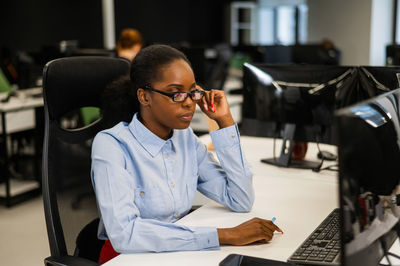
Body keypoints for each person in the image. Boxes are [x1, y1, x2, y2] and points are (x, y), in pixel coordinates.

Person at [91, 44, 283, 264]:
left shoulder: (185, 138)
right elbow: (126, 235)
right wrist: (226, 235)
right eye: (176, 94)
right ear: (144, 97)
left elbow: (240, 199)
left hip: (180, 253)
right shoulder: (111, 145)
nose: (190, 103)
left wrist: (224, 121)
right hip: (128, 258)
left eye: (192, 91)